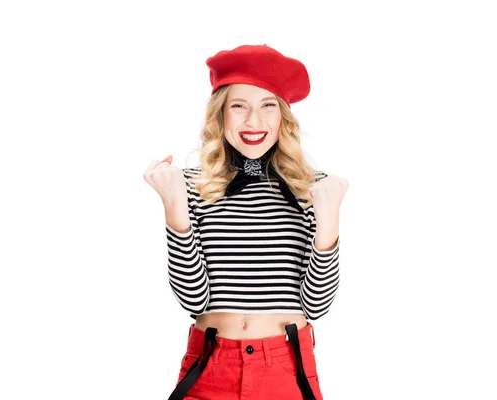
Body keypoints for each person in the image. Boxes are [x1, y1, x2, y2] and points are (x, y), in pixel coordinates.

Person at [143, 44, 348, 400]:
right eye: (239, 106)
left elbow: (316, 306)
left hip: (287, 369)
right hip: (208, 367)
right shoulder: (192, 185)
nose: (254, 121)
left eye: (268, 105)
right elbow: (194, 300)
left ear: (283, 116)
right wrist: (175, 207)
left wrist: (328, 227)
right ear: (220, 114)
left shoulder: (313, 189)